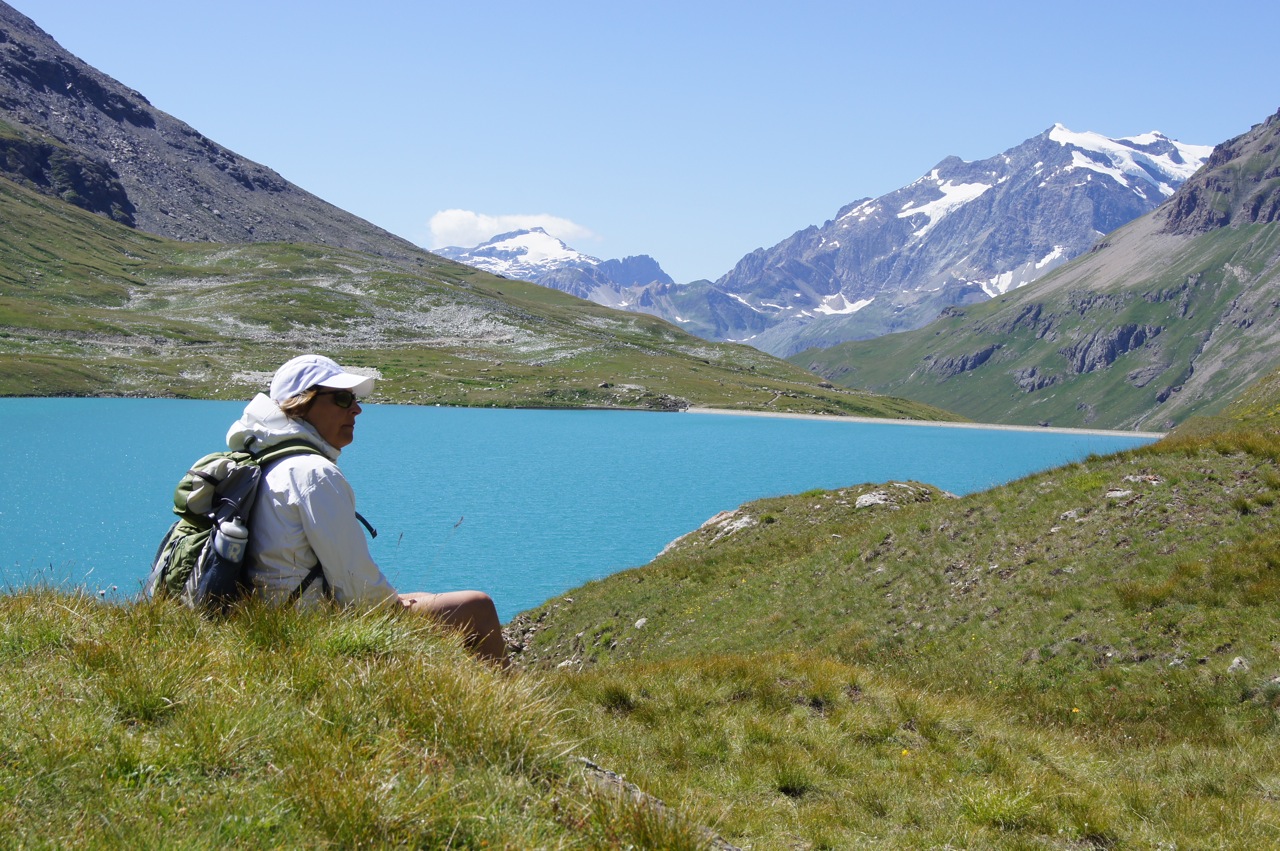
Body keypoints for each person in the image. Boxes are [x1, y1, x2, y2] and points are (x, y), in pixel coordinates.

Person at [226, 354, 507, 663]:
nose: (356, 409)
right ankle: (505, 695)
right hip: (310, 630)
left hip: (275, 620)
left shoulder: (269, 460)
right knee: (478, 607)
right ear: (302, 403)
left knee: (425, 600)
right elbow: (360, 593)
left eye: (355, 399)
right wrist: (396, 607)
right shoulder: (313, 473)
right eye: (343, 399)